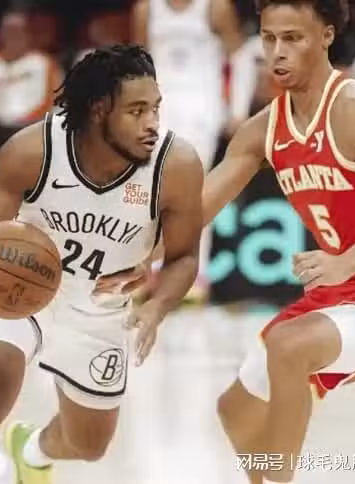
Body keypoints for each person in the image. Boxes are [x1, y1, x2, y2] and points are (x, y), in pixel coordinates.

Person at [0, 45, 203, 484]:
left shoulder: (176, 166)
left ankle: (31, 451)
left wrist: (157, 306)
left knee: (89, 445)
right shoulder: (32, 150)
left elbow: (184, 257)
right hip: (20, 293)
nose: (152, 122)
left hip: (99, 310)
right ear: (99, 110)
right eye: (137, 111)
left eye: (155, 108)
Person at [201, 1, 355, 483]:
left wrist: (345, 262)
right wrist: (137, 253)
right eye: (269, 39)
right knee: (236, 411)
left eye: (293, 38)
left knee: (287, 346)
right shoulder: (265, 127)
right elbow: (195, 210)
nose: (277, 52)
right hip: (341, 293)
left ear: (326, 36)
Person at [131, 0, 256, 301]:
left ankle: (194, 275)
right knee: (149, 189)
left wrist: (238, 110)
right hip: (158, 108)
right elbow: (136, 63)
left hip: (202, 107)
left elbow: (241, 57)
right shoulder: (146, 9)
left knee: (196, 190)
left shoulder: (215, 7)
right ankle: (147, 270)